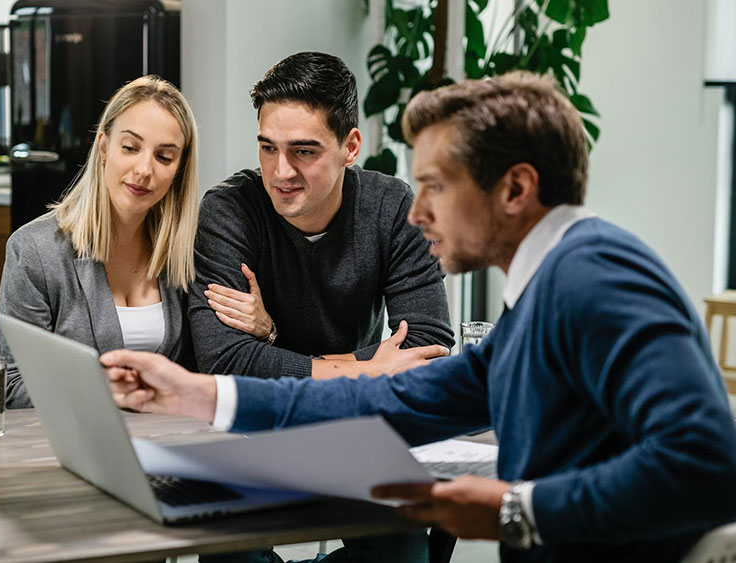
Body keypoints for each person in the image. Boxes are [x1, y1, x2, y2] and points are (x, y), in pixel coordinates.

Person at [103, 72, 736, 562]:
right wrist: (197, 394)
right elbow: (394, 399)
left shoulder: (595, 275)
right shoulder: (546, 290)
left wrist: (515, 509)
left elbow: (706, 460)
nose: (415, 212)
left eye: (436, 185)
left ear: (515, 189)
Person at [191, 52, 454, 382]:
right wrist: (368, 369)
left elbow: (429, 346)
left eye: (304, 151)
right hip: (263, 411)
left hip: (357, 408)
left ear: (350, 147)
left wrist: (271, 340)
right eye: (268, 148)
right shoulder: (230, 209)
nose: (281, 172)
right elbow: (223, 359)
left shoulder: (392, 206)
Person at [0, 75, 201, 408]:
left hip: (168, 434)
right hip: (74, 437)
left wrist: (265, 327)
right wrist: (105, 391)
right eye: (130, 148)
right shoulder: (35, 251)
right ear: (104, 147)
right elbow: (11, 386)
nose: (144, 169)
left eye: (164, 157)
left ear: (179, 169)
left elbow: (202, 368)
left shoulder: (186, 251)